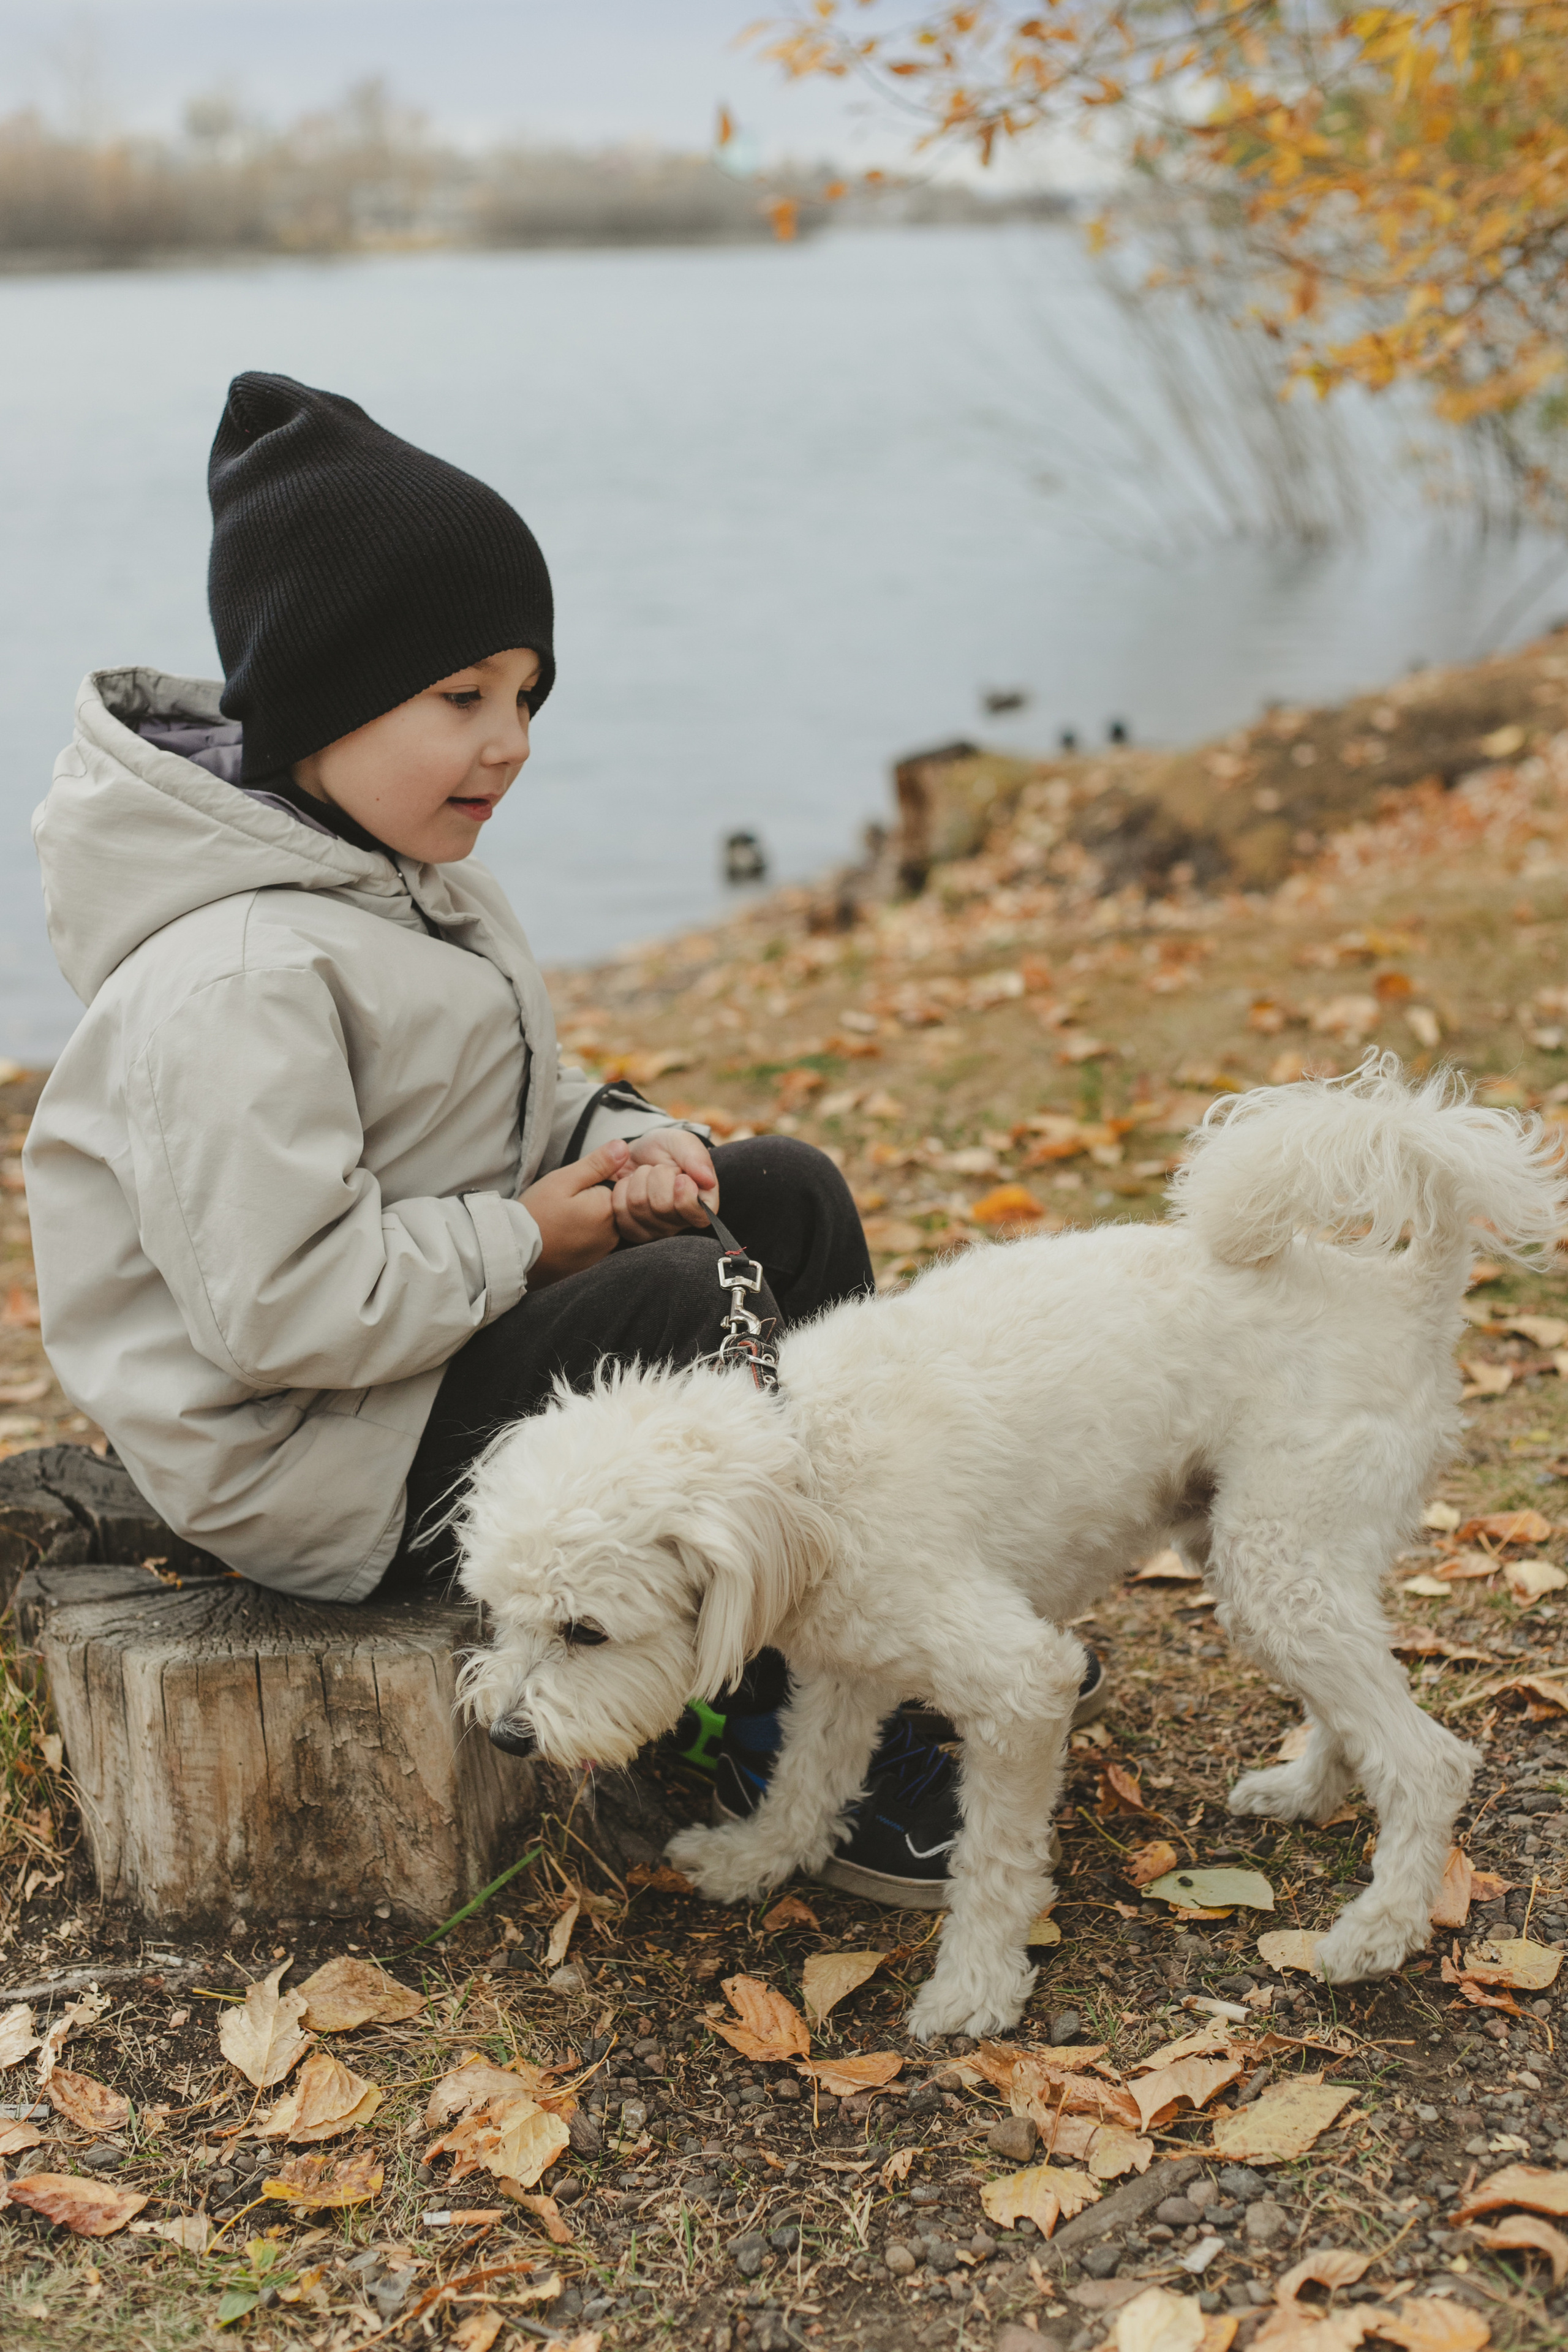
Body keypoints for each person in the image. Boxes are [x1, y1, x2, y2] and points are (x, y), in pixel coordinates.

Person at [24, 370, 1102, 1905]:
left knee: (777, 1197)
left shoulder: (405, 876)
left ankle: (877, 1607)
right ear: (325, 696)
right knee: (684, 1302)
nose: (512, 740)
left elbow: (514, 1098)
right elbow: (278, 1311)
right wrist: (536, 1237)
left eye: (526, 695)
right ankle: (774, 1725)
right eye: (460, 698)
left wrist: (634, 1144)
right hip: (315, 1460)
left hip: (412, 1359)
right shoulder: (238, 975)